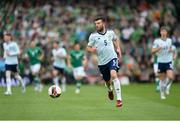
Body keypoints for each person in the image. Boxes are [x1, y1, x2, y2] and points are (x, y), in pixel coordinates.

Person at [86, 16, 123, 107]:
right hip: (102, 62)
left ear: (103, 23)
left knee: (114, 75)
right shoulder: (93, 36)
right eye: (95, 24)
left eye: (98, 23)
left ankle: (119, 99)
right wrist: (92, 50)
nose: (97, 25)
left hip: (112, 58)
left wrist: (118, 48)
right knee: (107, 81)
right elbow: (88, 48)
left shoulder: (110, 33)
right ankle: (110, 90)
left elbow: (115, 39)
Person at [151, 26, 175, 99]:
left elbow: (172, 49)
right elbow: (152, 51)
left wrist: (172, 51)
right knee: (162, 79)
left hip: (168, 61)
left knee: (170, 77)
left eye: (165, 31)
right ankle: (162, 94)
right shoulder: (157, 41)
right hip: (161, 62)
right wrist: (159, 48)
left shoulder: (169, 40)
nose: (163, 32)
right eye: (162, 31)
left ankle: (166, 87)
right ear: (160, 32)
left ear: (167, 33)